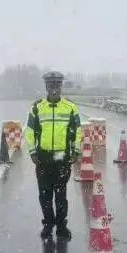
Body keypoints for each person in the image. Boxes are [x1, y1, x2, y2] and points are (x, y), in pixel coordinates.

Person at [24, 71, 83, 240]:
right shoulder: (37, 107)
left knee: (61, 195)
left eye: (57, 84)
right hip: (43, 157)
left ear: (61, 86)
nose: (54, 88)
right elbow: (30, 132)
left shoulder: (70, 107)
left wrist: (76, 151)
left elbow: (77, 132)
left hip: (62, 158)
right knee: (44, 195)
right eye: (50, 85)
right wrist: (33, 151)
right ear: (46, 87)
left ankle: (61, 226)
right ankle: (48, 225)